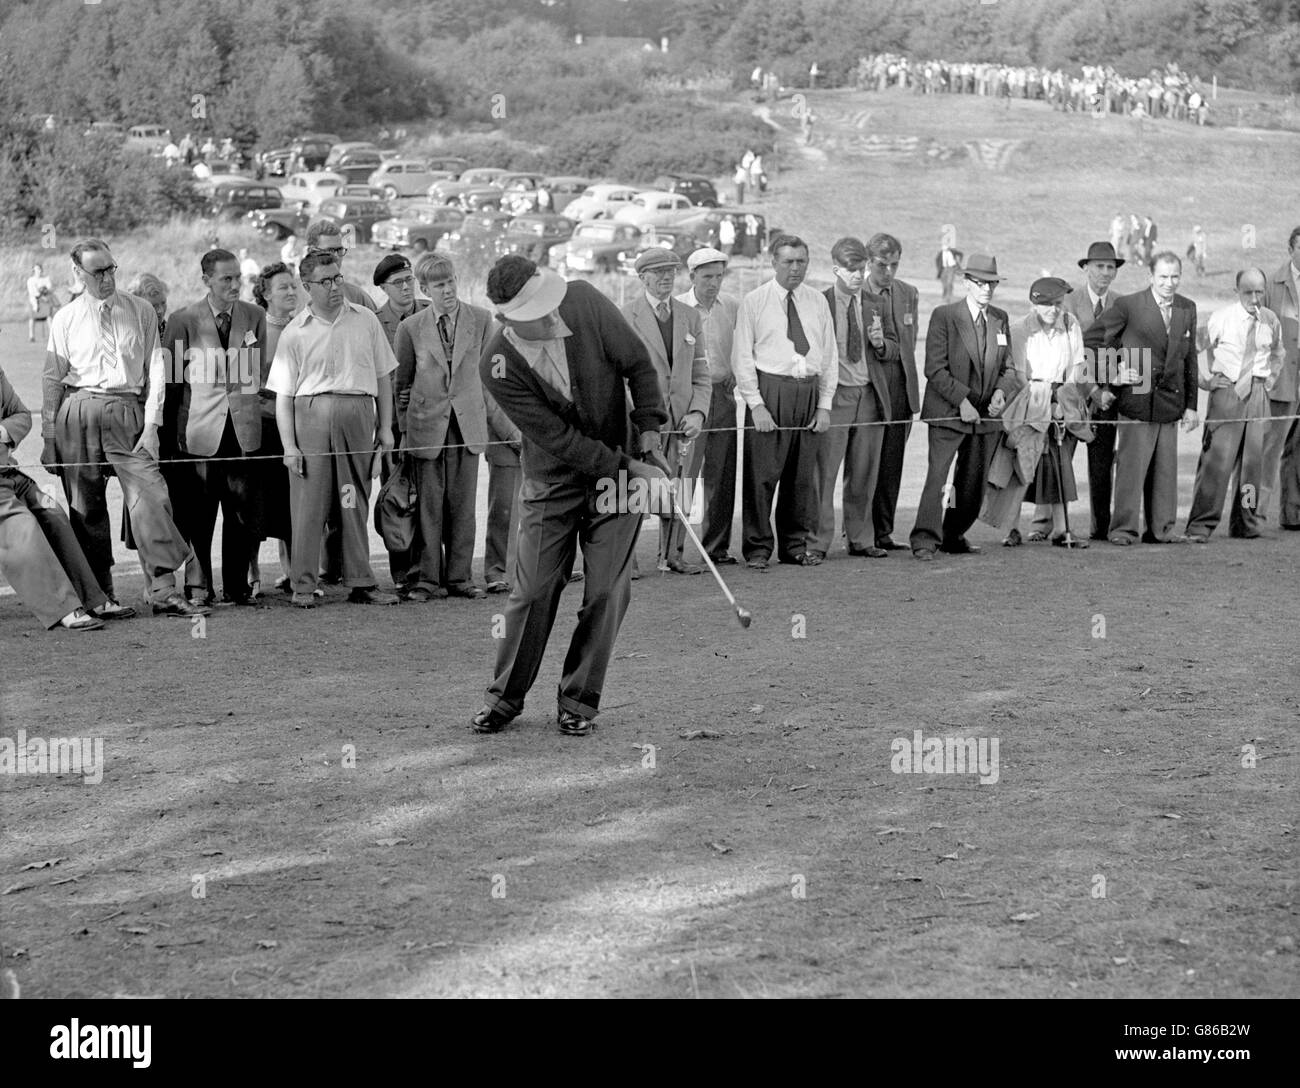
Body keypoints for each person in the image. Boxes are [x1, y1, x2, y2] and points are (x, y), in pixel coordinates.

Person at [471, 255, 668, 737]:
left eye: (551, 302)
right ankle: (505, 698)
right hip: (552, 482)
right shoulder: (495, 364)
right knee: (533, 590)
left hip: (619, 476)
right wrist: (629, 466)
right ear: (506, 320)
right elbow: (558, 439)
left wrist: (648, 431)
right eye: (539, 312)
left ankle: (578, 700)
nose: (553, 314)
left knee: (605, 591)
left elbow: (638, 364)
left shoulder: (581, 299)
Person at [42, 239, 206, 618]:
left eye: (111, 269)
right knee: (86, 507)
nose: (106, 278)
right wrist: (50, 437)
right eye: (97, 271)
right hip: (78, 409)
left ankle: (163, 589)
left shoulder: (141, 310)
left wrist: (151, 426)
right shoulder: (65, 318)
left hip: (128, 410)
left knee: (151, 496)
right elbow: (52, 378)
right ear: (77, 274)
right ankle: (99, 596)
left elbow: (157, 372)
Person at [265, 249, 398, 606]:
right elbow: (283, 396)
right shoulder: (294, 332)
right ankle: (304, 585)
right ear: (307, 287)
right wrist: (290, 447)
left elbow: (384, 376)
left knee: (353, 498)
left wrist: (384, 429)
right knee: (309, 504)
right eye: (325, 281)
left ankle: (361, 582)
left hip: (357, 412)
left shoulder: (366, 320)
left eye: (338, 278)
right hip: (311, 416)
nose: (335, 287)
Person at [161, 248, 269, 606]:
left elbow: (257, 376)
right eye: (226, 278)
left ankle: (237, 587)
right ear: (206, 280)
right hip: (198, 437)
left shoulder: (255, 316)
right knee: (199, 516)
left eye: (238, 277)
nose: (235, 284)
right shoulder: (182, 320)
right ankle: (199, 587)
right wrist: (170, 443)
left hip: (243, 435)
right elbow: (172, 386)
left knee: (240, 515)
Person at [732, 233, 835, 569]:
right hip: (770, 391)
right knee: (762, 477)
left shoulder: (817, 301)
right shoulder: (755, 301)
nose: (795, 268)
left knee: (801, 477)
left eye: (801, 261)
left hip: (807, 391)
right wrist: (756, 404)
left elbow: (829, 357)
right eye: (788, 261)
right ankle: (758, 547)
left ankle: (794, 546)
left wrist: (824, 405)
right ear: (773, 261)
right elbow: (742, 357)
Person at [392, 254, 491, 601]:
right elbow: (401, 385)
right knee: (429, 507)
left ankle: (461, 578)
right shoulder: (410, 328)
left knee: (464, 506)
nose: (447, 290)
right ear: (424, 288)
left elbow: (492, 378)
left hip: (468, 427)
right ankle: (427, 580)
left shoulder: (481, 319)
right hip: (426, 427)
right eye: (439, 284)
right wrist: (403, 432)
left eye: (450, 281)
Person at [1084, 251, 1199, 545]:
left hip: (1170, 405)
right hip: (1136, 402)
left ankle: (1161, 530)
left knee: (1165, 473)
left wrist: (1191, 406)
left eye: (1174, 277)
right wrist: (1113, 372)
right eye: (1163, 276)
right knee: (1131, 471)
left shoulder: (1188, 308)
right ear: (1151, 276)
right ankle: (1123, 530)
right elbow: (1092, 340)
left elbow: (1190, 360)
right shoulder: (1129, 305)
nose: (1169, 283)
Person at [909, 255, 1014, 560]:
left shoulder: (1000, 318)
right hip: (948, 413)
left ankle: (953, 534)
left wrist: (1000, 394)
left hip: (985, 417)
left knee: (970, 483)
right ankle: (925, 539)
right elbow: (935, 368)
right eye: (980, 283)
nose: (986, 289)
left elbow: (1009, 368)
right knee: (939, 480)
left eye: (991, 283)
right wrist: (962, 402)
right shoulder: (945, 315)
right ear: (966, 283)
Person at [981, 277, 1092, 546]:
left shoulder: (1070, 324)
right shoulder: (1020, 329)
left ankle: (1061, 530)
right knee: (1020, 460)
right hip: (1027, 397)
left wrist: (1061, 401)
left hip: (1060, 397)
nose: (1054, 310)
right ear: (1035, 304)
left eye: (1058, 304)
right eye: (1048, 305)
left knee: (1058, 463)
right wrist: (1043, 405)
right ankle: (1011, 529)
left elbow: (1077, 368)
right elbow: (1018, 375)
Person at [1, 365, 108, 630]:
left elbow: (22, 415)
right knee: (24, 528)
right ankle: (64, 608)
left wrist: (3, 432)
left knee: (53, 511)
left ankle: (90, 598)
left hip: (10, 474)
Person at [622, 247, 709, 574]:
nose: (665, 278)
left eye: (671, 271)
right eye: (658, 272)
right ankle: (626, 561)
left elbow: (702, 375)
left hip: (682, 424)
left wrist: (698, 413)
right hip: (642, 424)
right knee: (633, 489)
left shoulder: (691, 316)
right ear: (642, 277)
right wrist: (641, 420)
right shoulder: (625, 316)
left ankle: (672, 555)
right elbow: (619, 379)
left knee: (680, 486)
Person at [1185, 269, 1283, 542]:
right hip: (1227, 394)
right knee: (1216, 464)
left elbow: (1278, 353)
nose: (1254, 297)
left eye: (1259, 291)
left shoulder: (1271, 320)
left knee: (1253, 467)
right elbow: (1192, 349)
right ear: (1236, 291)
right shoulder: (1222, 318)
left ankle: (1246, 524)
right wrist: (1204, 382)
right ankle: (1200, 526)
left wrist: (1269, 381)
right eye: (1248, 291)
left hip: (1258, 397)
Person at [810, 237, 891, 561]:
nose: (858, 276)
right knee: (824, 475)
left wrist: (881, 343)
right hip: (835, 397)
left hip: (870, 397)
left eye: (862, 269)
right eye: (852, 270)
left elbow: (896, 348)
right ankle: (817, 542)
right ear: (836, 270)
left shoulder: (876, 303)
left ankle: (860, 538)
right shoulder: (820, 303)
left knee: (863, 474)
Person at [676, 247, 741, 565]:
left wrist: (734, 376)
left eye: (718, 276)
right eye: (707, 277)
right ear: (692, 277)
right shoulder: (678, 308)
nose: (714, 283)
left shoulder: (730, 305)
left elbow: (740, 347)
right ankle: (672, 550)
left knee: (722, 473)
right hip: (689, 400)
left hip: (724, 396)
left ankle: (716, 548)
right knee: (684, 474)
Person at [373, 253, 429, 587]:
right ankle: (401, 572)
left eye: (409, 280)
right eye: (398, 283)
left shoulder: (429, 311)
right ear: (383, 287)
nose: (406, 288)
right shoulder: (375, 321)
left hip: (429, 421)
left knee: (431, 497)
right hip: (391, 425)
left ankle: (429, 569)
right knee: (396, 498)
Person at [863, 233, 921, 551]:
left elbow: (910, 344)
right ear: (870, 262)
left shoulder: (909, 293)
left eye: (894, 265)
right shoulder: (857, 293)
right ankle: (859, 530)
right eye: (882, 265)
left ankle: (883, 531)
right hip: (870, 388)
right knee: (864, 463)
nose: (888, 271)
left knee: (891, 463)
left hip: (902, 389)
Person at [1064, 240, 1123, 541]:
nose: (1104, 272)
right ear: (1086, 268)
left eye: (1110, 267)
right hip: (1072, 394)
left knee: (1102, 464)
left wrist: (1108, 390)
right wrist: (1091, 389)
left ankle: (1100, 526)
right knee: (1060, 458)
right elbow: (1066, 352)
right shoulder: (1068, 302)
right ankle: (1044, 525)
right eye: (1099, 266)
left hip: (1107, 397)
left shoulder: (1122, 304)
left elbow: (1128, 351)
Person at [252, 261, 299, 593]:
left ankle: (295, 573)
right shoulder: (253, 331)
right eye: (283, 287)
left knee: (293, 503)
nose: (291, 292)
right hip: (261, 426)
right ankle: (251, 575)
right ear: (265, 294)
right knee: (254, 502)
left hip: (298, 428)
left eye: (294, 286)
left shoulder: (306, 326)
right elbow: (242, 382)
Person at [1263, 228, 1300, 529]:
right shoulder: (1271, 286)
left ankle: (1293, 515)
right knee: (1267, 451)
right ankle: (1251, 515)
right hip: (1280, 384)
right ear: (1290, 249)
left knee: (1298, 452)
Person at [26, 263, 53, 342]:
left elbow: (49, 287)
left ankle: (52, 335)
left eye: (40, 269)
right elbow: (32, 292)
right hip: (35, 300)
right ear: (33, 270)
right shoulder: (30, 280)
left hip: (45, 300)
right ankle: (31, 336)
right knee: (32, 317)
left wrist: (44, 290)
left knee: (48, 316)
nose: (39, 270)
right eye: (37, 269)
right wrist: (40, 295)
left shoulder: (46, 278)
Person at [935, 239, 963, 303]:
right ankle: (944, 295)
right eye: (944, 246)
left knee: (949, 283)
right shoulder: (940, 253)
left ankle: (949, 297)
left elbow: (961, 254)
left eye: (946, 245)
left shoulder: (952, 251)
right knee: (944, 284)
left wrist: (959, 261)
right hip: (944, 269)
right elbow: (937, 260)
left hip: (951, 268)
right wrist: (939, 268)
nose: (945, 247)